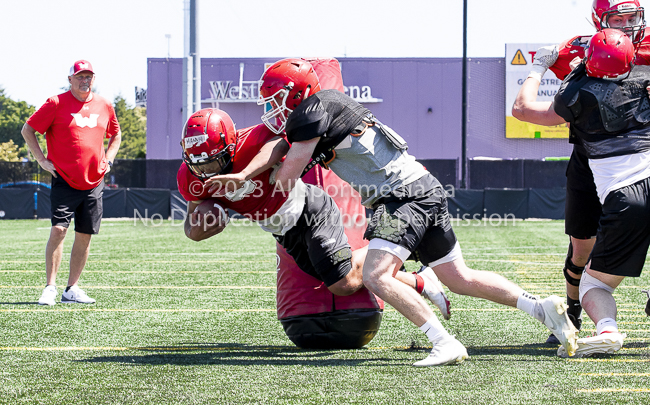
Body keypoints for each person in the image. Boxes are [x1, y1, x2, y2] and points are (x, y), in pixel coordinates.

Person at [257, 58, 579, 366]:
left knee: (375, 276)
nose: (273, 109)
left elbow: (285, 180)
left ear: (298, 93)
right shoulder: (330, 105)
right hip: (424, 187)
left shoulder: (312, 111)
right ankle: (541, 309)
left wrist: (247, 183)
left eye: (276, 100)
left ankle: (444, 342)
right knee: (460, 278)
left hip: (401, 195)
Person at [177, 108, 451, 316]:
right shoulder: (191, 177)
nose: (206, 171)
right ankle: (420, 280)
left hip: (309, 209)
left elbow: (280, 143)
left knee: (341, 283)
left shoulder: (253, 140)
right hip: (282, 230)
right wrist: (197, 232)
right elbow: (191, 224)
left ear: (232, 145)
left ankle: (395, 246)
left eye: (213, 162)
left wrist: (245, 174)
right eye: (198, 165)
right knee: (342, 278)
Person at [512, 0, 649, 344]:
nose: (628, 23)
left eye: (633, 16)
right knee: (581, 246)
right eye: (619, 16)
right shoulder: (579, 49)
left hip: (630, 162)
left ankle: (600, 314)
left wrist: (537, 69)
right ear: (600, 20)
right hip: (594, 160)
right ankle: (572, 313)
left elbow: (523, 108)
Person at [21, 60, 122, 305]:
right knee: (59, 230)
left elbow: (116, 134)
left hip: (94, 181)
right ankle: (50, 287)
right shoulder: (55, 103)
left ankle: (72, 288)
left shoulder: (104, 104)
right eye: (80, 76)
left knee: (84, 234)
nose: (85, 80)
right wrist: (42, 160)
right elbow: (28, 130)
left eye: (89, 76)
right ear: (70, 79)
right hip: (63, 179)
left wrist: (108, 160)